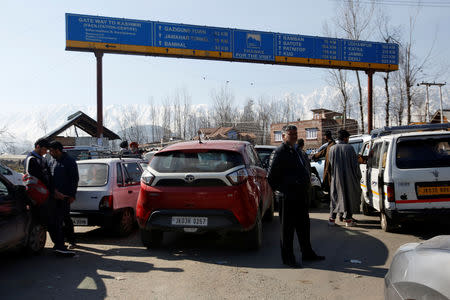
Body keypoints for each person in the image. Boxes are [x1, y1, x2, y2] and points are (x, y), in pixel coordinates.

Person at [268, 125, 325, 268]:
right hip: (288, 197)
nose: (293, 136)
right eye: (290, 134)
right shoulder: (280, 152)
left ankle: (307, 253)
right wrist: (283, 190)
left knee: (303, 226)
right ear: (283, 136)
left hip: (300, 196)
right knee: (287, 230)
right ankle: (288, 258)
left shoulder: (297, 151)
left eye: (295, 134)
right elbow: (271, 178)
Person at [48, 141, 79, 256]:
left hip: (65, 196)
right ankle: (67, 239)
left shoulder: (69, 161)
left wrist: (72, 195)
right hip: (54, 196)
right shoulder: (52, 161)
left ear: (58, 150)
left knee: (63, 219)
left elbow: (74, 179)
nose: (50, 153)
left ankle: (68, 241)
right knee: (63, 218)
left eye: (51, 151)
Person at [327, 129, 362, 227]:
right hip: (349, 179)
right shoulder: (350, 148)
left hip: (336, 179)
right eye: (348, 138)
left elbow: (330, 165)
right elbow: (355, 166)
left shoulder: (332, 149)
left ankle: (332, 219)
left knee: (335, 198)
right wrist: (358, 176)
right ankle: (348, 220)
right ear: (345, 138)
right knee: (349, 197)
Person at [24, 138, 52, 224]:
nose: (46, 152)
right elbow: (39, 176)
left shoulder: (41, 159)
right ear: (38, 147)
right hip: (36, 195)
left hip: (43, 193)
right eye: (45, 149)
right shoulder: (31, 159)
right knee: (37, 220)